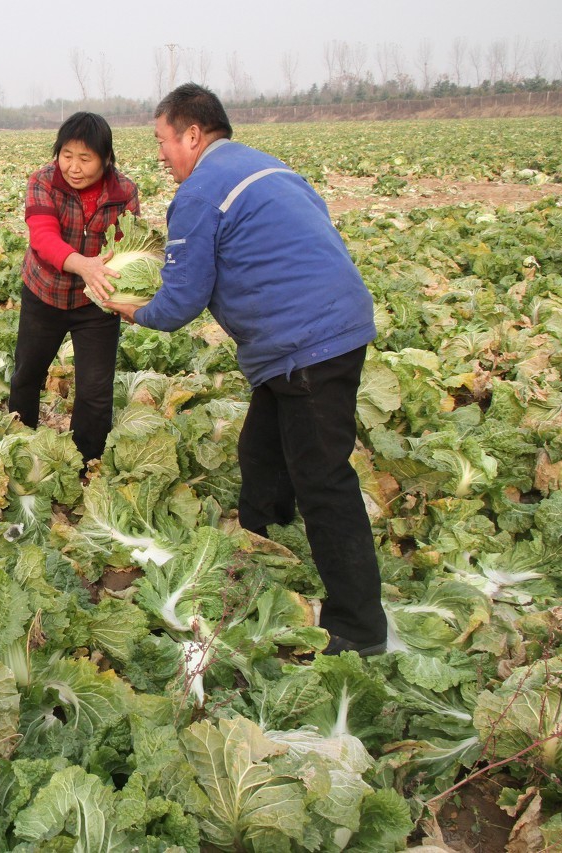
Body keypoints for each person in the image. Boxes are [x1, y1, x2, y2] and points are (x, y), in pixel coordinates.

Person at [98, 84, 387, 656]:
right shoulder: (267, 168)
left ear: (193, 134)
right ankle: (262, 548)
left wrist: (136, 309)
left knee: (323, 478)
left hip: (307, 343)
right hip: (323, 331)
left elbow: (181, 300)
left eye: (162, 140)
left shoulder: (202, 190)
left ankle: (360, 627)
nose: (160, 154)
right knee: (261, 450)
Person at [9, 111, 140, 464]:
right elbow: (43, 237)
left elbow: (129, 248)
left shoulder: (124, 191)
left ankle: (87, 462)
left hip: (95, 305)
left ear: (106, 158)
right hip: (44, 295)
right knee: (27, 375)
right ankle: (19, 450)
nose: (74, 167)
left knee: (96, 390)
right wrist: (83, 264)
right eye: (67, 155)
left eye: (86, 158)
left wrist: (129, 298)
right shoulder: (43, 181)